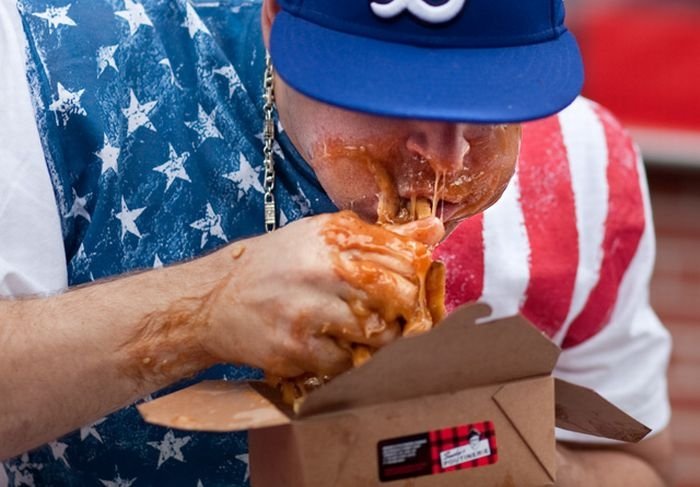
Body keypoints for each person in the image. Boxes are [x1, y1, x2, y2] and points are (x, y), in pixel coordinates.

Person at [0, 0, 672, 485]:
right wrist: (202, 308)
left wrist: (523, 459)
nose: (446, 158)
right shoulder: (51, 73)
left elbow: (641, 464)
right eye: (389, 95)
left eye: (493, 100)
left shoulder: (585, 163)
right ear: (273, 22)